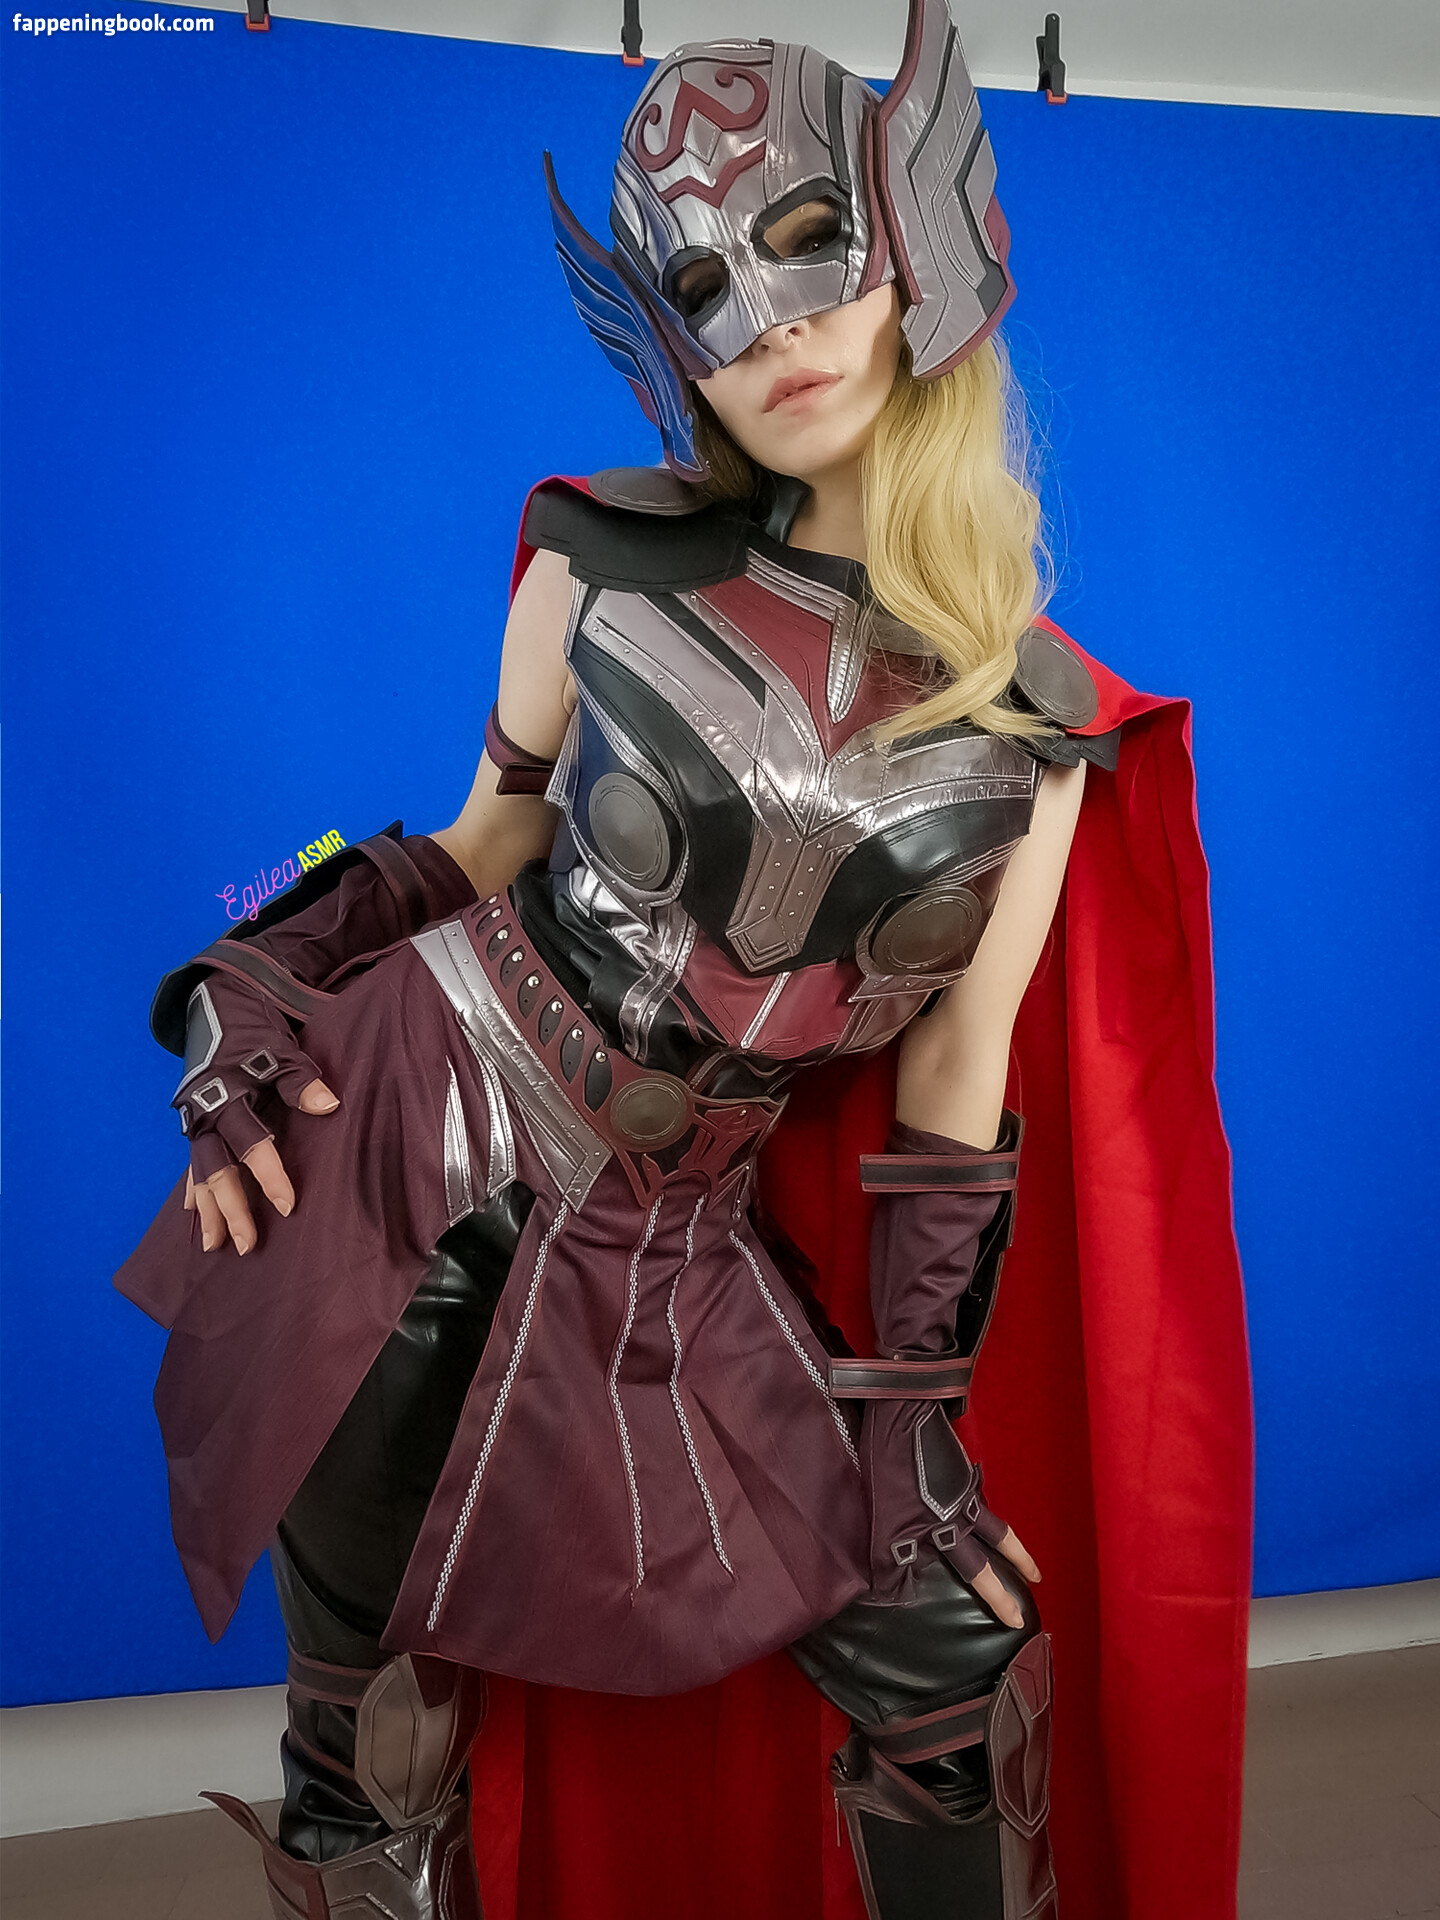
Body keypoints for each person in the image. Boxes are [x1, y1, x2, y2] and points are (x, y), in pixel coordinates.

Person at [117, 5, 1252, 1918]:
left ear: (915, 241)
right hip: (408, 1156)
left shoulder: (1037, 734)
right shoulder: (597, 563)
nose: (773, 328)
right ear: (668, 341)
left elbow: (953, 1093)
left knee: (949, 1674)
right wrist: (253, 979)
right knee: (373, 1739)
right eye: (707, 289)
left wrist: (909, 1430)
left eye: (808, 244)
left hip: (681, 1237)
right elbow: (476, 846)